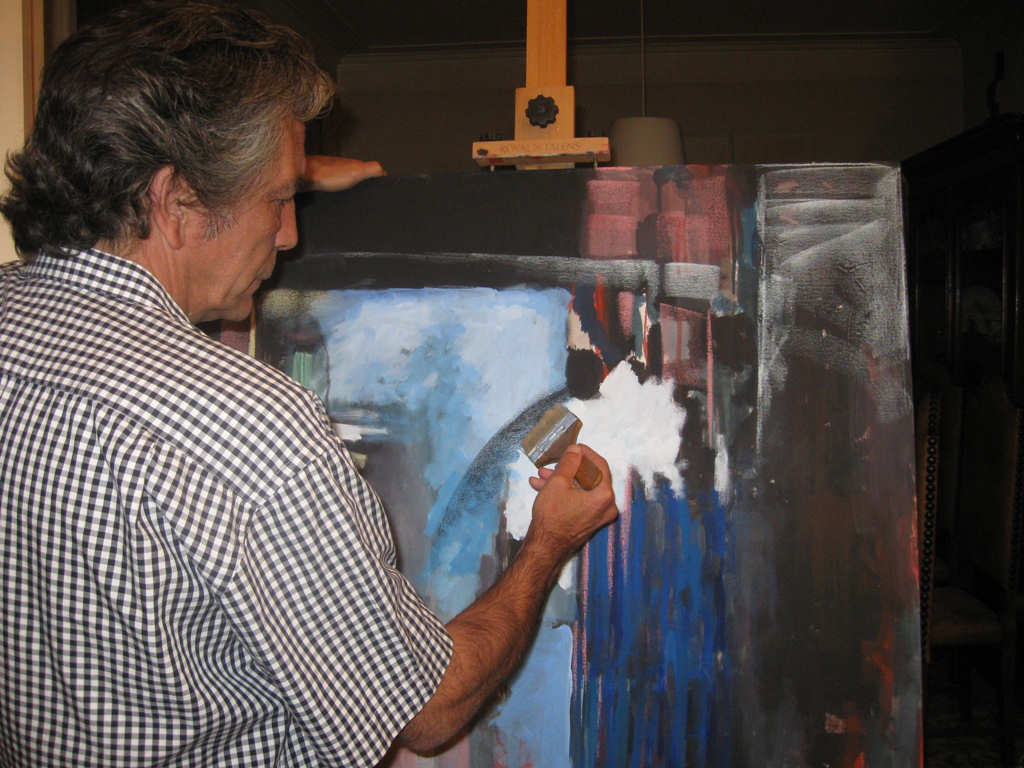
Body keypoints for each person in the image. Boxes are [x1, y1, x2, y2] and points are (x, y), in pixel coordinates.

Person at [0, 2, 618, 766]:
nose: (291, 233)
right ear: (176, 200)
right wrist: (547, 544)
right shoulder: (251, 429)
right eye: (278, 198)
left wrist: (271, 178)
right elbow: (428, 710)